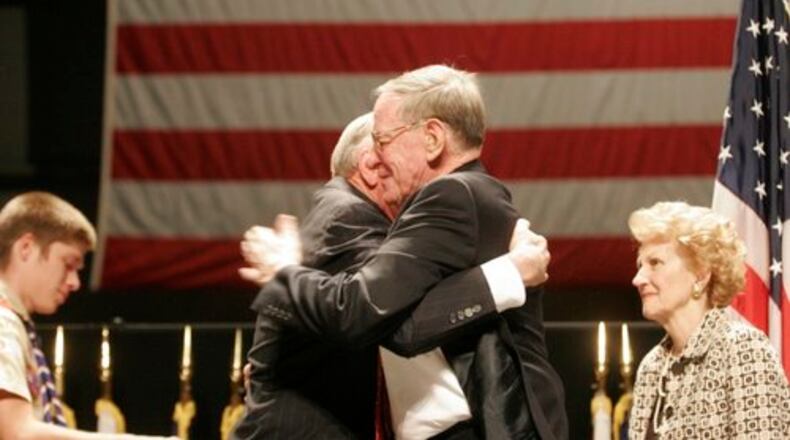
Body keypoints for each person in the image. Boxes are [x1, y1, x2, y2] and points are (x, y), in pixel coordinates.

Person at [238, 65, 567, 439]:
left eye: (383, 140)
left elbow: (370, 313)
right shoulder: (469, 195)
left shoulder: (451, 194)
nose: (377, 157)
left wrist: (282, 271)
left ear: (432, 138)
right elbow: (399, 322)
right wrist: (508, 275)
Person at [0, 192, 176, 440]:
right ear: (26, 248)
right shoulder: (2, 322)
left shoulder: (14, 322)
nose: (74, 282)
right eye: (68, 264)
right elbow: (16, 433)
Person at [628, 201, 790, 438]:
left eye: (655, 263)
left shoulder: (743, 349)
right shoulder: (651, 367)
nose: (638, 279)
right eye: (640, 265)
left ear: (701, 275)